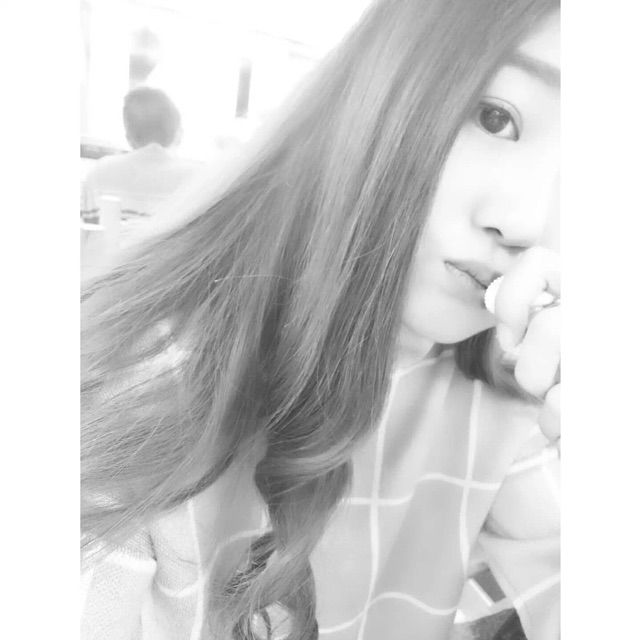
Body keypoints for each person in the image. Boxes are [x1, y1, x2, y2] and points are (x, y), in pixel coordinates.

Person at [81, 1, 560, 639]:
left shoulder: (509, 400)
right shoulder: (152, 385)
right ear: (380, 89)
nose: (526, 221)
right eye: (496, 117)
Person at [80, 87, 200, 242]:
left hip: (111, 257)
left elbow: (88, 240)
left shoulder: (98, 173)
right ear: (176, 132)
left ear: (128, 136)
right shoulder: (197, 179)